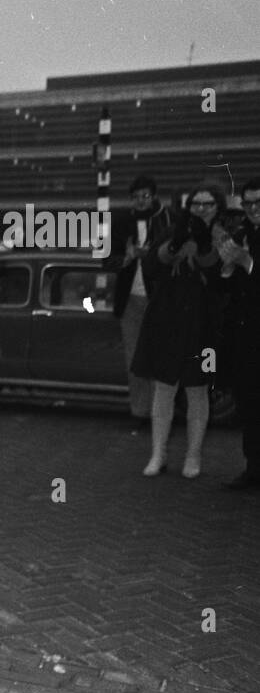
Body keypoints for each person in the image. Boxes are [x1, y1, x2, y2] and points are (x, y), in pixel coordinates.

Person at [131, 180, 227, 478]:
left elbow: (218, 271)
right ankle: (158, 453)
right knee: (164, 388)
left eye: (207, 204)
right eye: (196, 204)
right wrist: (174, 245)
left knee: (197, 390)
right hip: (169, 320)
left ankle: (193, 456)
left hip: (204, 323)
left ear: (217, 206)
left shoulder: (224, 232)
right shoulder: (175, 228)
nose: (201, 209)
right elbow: (152, 264)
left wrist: (202, 246)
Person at [108, 176, 175, 430]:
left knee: (160, 357)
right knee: (133, 359)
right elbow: (107, 260)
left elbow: (175, 256)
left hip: (159, 298)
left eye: (145, 196)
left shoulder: (167, 220)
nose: (141, 201)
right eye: (136, 196)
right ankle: (139, 412)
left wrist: (153, 256)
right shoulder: (121, 221)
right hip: (130, 299)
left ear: (154, 196)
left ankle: (161, 413)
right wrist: (126, 259)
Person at [217, 178, 260, 490]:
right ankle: (253, 467)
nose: (253, 210)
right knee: (247, 399)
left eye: (259, 203)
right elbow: (231, 286)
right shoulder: (245, 232)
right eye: (248, 204)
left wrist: (246, 262)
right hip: (246, 332)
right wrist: (230, 267)